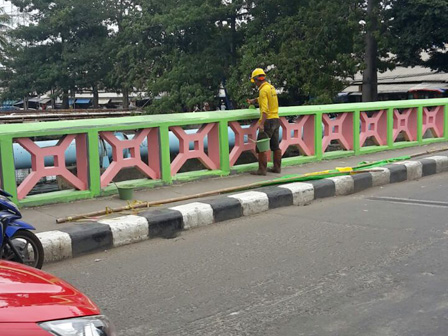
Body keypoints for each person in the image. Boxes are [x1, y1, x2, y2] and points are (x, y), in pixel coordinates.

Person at [247, 68, 281, 175]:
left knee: (261, 146)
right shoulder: (271, 88)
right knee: (275, 146)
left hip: (268, 121)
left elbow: (265, 109)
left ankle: (262, 170)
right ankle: (277, 168)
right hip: (276, 119)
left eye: (255, 81)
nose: (255, 84)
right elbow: (265, 98)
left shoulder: (262, 90)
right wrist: (254, 100)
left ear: (257, 80)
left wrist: (261, 124)